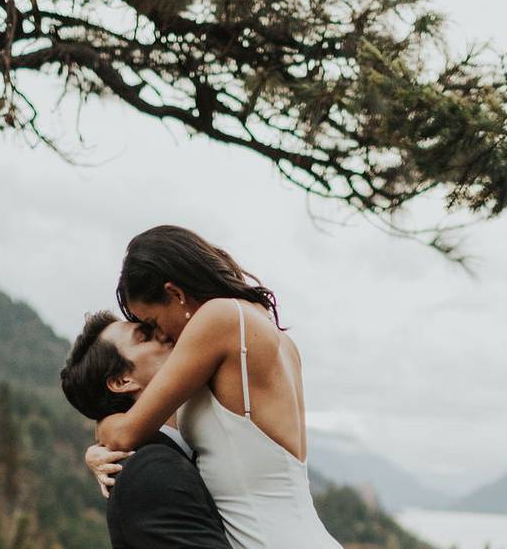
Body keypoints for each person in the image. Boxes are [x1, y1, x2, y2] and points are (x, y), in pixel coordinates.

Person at [93, 225, 342, 549]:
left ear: (176, 294)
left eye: (153, 322)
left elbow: (127, 432)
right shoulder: (275, 336)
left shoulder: (218, 318)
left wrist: (102, 430)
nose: (163, 335)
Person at [60, 310, 233, 549]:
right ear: (122, 382)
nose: (163, 334)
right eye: (144, 336)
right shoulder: (150, 469)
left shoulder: (194, 444)